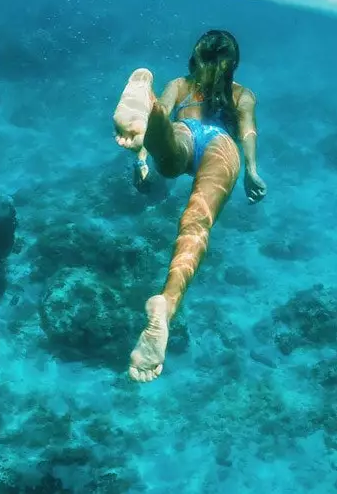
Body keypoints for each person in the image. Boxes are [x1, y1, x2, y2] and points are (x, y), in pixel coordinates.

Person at [111, 28, 267, 382]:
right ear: (233, 65)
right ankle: (166, 303)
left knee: (168, 144)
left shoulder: (180, 85)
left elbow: (167, 115)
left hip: (185, 127)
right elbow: (247, 131)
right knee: (197, 222)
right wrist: (252, 171)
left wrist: (142, 159)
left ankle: (144, 105)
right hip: (221, 144)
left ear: (194, 59)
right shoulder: (242, 94)